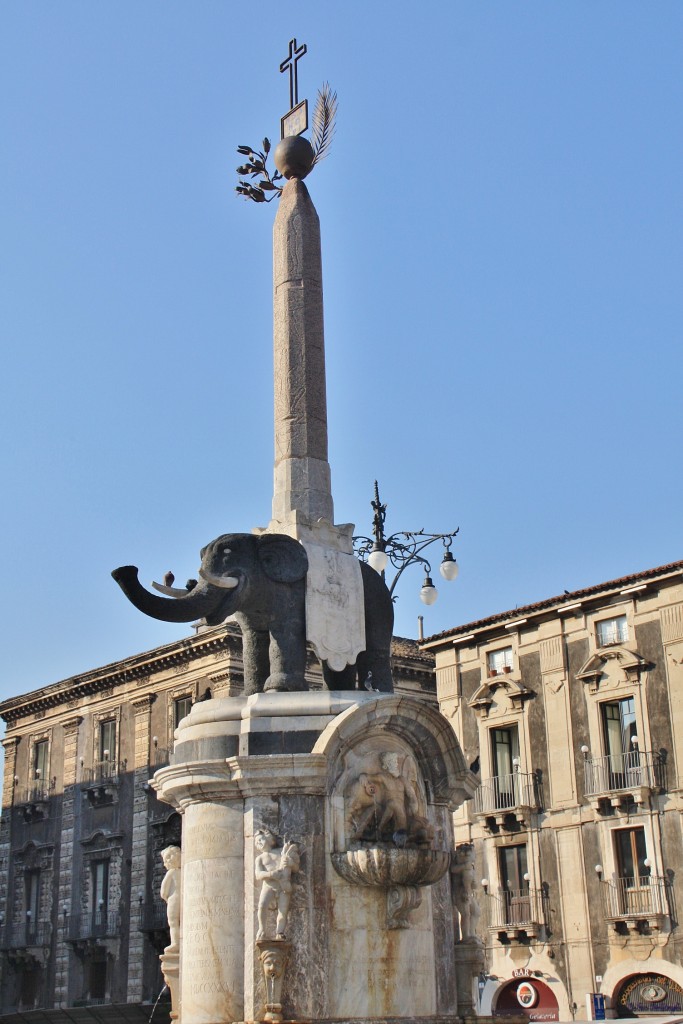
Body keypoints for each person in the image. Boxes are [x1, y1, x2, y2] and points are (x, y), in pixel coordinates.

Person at [254, 829, 300, 941]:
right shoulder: (260, 858)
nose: (258, 843)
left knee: (283, 910)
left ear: (269, 839)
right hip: (268, 885)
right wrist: (271, 874)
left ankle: (280, 932)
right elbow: (258, 875)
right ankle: (262, 929)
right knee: (262, 906)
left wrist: (290, 863)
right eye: (256, 842)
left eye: (260, 839)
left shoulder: (281, 852)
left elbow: (295, 868)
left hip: (284, 885)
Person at [160, 846, 181, 952]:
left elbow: (163, 891)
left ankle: (176, 943)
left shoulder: (171, 872)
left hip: (173, 899)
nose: (165, 863)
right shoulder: (183, 871)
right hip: (183, 898)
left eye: (166, 859)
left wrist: (165, 898)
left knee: (173, 922)